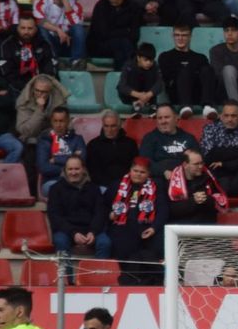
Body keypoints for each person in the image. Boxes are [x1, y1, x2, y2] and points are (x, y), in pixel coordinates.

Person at [107, 156, 165, 284]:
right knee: (122, 243)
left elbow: (163, 210)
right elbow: (103, 207)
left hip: (147, 229)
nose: (138, 174)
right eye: (135, 171)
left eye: (142, 172)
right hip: (122, 228)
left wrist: (154, 228)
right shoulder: (116, 185)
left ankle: (152, 282)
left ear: (148, 174)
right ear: (130, 170)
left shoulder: (156, 186)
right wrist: (110, 215)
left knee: (153, 248)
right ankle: (126, 280)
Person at [47, 155, 109, 258]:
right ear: (65, 170)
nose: (73, 172)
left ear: (83, 169)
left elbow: (100, 213)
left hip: (91, 230)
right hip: (66, 231)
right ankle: (65, 269)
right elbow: (55, 217)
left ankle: (99, 269)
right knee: (60, 241)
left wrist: (93, 232)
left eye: (77, 169)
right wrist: (73, 233)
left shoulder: (94, 189)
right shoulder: (55, 189)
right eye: (70, 169)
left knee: (105, 243)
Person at [32, 0, 88, 68]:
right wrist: (58, 30)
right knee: (41, 29)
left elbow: (77, 23)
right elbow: (40, 21)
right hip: (50, 43)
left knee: (79, 29)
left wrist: (65, 2)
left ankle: (77, 62)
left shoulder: (75, 3)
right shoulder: (41, 2)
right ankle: (53, 60)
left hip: (69, 43)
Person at [36, 107, 87, 198]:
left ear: (68, 121)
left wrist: (56, 159)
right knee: (62, 189)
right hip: (51, 181)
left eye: (61, 121)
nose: (58, 125)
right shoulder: (44, 141)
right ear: (51, 122)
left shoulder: (77, 139)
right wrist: (71, 163)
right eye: (55, 121)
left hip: (76, 181)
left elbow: (82, 161)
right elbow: (44, 168)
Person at [138, 105, 199, 178]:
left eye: (167, 117)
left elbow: (198, 161)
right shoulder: (149, 138)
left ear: (176, 118)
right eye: (160, 118)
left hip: (186, 177)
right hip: (160, 178)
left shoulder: (189, 138)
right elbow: (145, 162)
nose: (163, 121)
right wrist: (163, 172)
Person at [86, 110, 138, 193]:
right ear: (102, 125)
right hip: (102, 186)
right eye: (106, 126)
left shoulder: (130, 144)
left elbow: (134, 167)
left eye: (113, 126)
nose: (109, 130)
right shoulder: (93, 145)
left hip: (126, 185)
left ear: (119, 126)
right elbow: (93, 171)